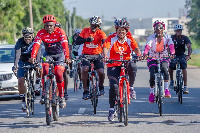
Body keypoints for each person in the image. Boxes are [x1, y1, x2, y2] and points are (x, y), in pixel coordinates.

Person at [103, 19, 141, 121]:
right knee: (114, 86)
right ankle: (111, 109)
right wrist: (105, 56)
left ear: (126, 31)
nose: (121, 32)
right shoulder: (111, 38)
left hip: (126, 62)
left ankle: (131, 88)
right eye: (119, 30)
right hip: (113, 64)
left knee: (133, 66)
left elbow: (136, 48)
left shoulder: (129, 38)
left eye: (123, 30)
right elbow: (105, 48)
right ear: (116, 30)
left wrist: (139, 54)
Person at [29, 15, 70, 108]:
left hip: (60, 55)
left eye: (51, 25)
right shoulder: (41, 33)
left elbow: (65, 44)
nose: (49, 28)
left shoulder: (60, 32)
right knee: (45, 69)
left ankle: (61, 97)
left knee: (59, 74)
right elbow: (36, 45)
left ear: (54, 25)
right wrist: (33, 57)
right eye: (47, 26)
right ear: (44, 26)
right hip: (48, 55)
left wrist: (67, 57)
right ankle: (44, 93)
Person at [143, 20, 175, 103]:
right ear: (154, 29)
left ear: (163, 28)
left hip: (164, 57)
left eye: (160, 27)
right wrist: (145, 54)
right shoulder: (151, 37)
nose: (159, 29)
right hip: (152, 57)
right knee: (152, 73)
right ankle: (152, 93)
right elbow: (147, 46)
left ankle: (166, 89)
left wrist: (172, 53)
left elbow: (171, 46)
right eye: (157, 27)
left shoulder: (167, 37)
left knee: (165, 69)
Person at [75, 16, 107, 100]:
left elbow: (105, 44)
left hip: (97, 55)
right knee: (84, 69)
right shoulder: (85, 31)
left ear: (98, 26)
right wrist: (86, 40)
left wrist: (104, 55)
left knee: (101, 71)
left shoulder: (101, 33)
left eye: (95, 26)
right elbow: (77, 41)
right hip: (86, 55)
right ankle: (85, 91)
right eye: (92, 25)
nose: (93, 27)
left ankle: (101, 87)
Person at [13, 27, 41, 111]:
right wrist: (15, 65)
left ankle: (37, 83)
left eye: (29, 37)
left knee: (40, 68)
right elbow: (17, 55)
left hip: (33, 60)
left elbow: (39, 54)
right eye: (26, 37)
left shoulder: (36, 41)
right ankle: (23, 100)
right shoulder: (20, 41)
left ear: (32, 36)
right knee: (20, 80)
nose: (27, 39)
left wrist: (38, 62)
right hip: (23, 61)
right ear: (23, 36)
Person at [169, 24, 192, 94]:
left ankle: (185, 86)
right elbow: (168, 46)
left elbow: (189, 46)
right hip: (173, 55)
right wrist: (168, 55)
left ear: (181, 31)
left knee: (184, 68)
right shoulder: (171, 38)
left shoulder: (184, 38)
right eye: (177, 31)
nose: (178, 32)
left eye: (179, 31)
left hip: (182, 55)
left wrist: (188, 55)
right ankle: (172, 81)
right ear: (175, 31)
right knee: (171, 67)